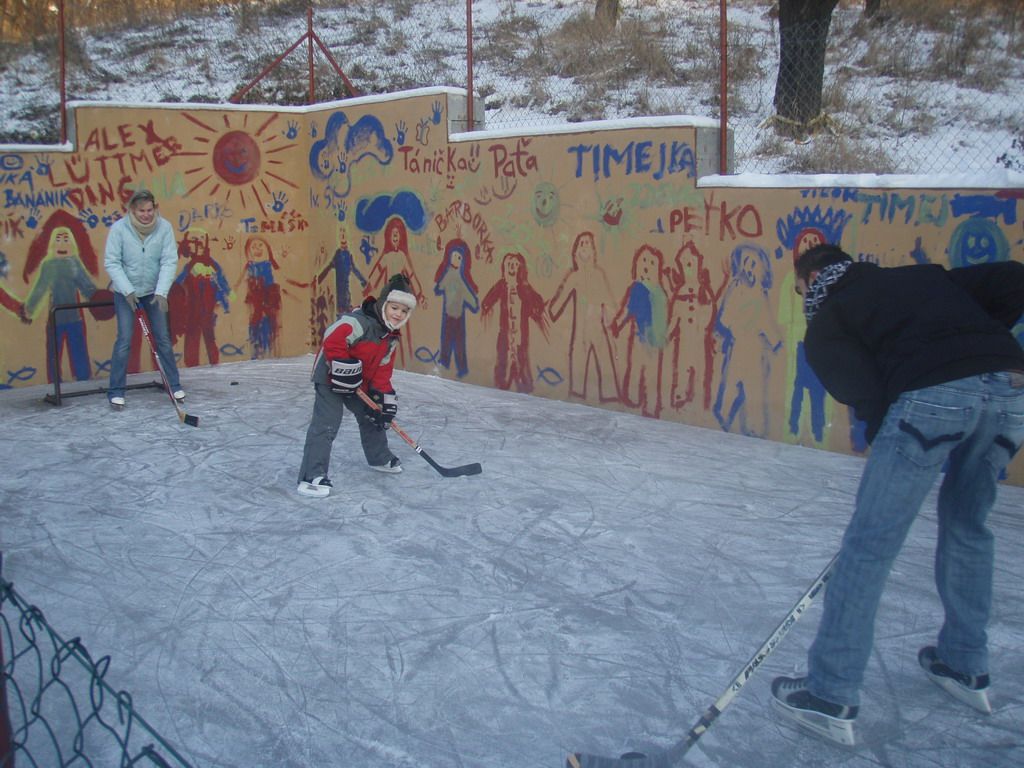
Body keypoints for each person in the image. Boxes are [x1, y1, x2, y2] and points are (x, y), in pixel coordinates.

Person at [770, 243, 1024, 746]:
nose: (803, 301)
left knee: (868, 546)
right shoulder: (925, 279)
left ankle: (830, 692)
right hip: (1011, 388)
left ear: (814, 276)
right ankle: (964, 664)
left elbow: (872, 402)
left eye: (801, 291)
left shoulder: (827, 322)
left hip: (931, 400)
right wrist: (975, 341)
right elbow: (1015, 278)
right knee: (968, 525)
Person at [296, 274, 417, 497]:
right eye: (394, 308)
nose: (398, 314)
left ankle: (378, 458)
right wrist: (343, 367)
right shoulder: (359, 321)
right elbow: (333, 338)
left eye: (404, 311)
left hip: (357, 382)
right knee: (327, 423)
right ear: (383, 304)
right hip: (330, 378)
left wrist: (385, 399)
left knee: (373, 414)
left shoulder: (390, 337)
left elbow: (382, 372)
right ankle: (312, 475)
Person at [104, 189, 184, 409]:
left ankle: (174, 385)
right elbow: (112, 262)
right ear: (132, 210)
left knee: (163, 338)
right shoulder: (119, 229)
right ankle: (116, 391)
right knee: (124, 341)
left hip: (153, 292)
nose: (147, 215)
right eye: (142, 211)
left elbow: (169, 261)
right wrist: (127, 291)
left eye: (150, 210)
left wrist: (161, 292)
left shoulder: (164, 228)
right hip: (125, 294)